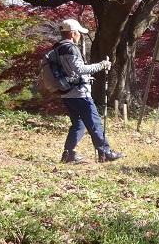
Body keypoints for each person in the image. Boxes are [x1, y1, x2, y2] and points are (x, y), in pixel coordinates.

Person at [52, 19, 124, 164]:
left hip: (66, 91)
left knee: (78, 124)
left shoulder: (58, 48)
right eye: (78, 32)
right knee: (94, 122)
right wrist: (102, 65)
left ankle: (68, 154)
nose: (80, 35)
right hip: (79, 93)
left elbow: (70, 70)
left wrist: (85, 77)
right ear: (72, 33)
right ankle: (105, 152)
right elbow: (79, 69)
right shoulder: (70, 48)